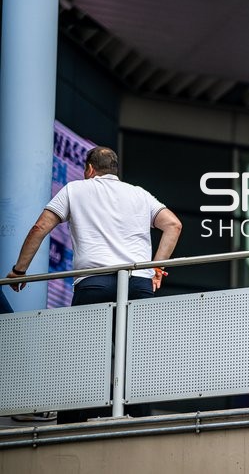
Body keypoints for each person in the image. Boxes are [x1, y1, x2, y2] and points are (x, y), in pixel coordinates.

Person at [6, 146, 182, 422]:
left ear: (89, 169)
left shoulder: (75, 189)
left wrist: (19, 271)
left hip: (94, 283)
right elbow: (173, 224)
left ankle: (72, 422)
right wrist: (155, 267)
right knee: (137, 356)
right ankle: (139, 418)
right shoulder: (139, 194)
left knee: (82, 356)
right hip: (137, 283)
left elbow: (40, 228)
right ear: (114, 170)